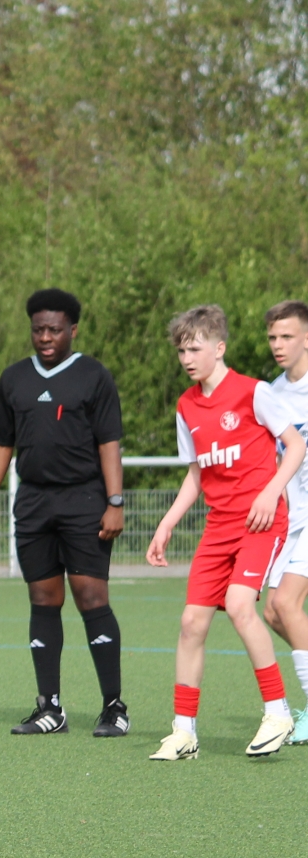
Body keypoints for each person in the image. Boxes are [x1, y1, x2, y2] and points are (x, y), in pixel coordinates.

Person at [146, 305, 306, 760]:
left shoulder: (254, 392)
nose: (187, 358)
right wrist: (167, 523)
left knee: (239, 605)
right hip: (218, 526)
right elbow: (197, 474)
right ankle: (183, 731)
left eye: (194, 349)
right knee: (191, 622)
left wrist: (270, 493)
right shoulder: (186, 405)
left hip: (260, 521)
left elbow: (295, 446)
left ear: (219, 348)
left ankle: (277, 712)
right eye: (181, 351)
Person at [0, 288, 130, 737]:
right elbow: (1, 444)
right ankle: (50, 708)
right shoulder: (14, 379)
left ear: (72, 330)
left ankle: (114, 707)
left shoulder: (93, 376)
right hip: (33, 504)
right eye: (38, 329)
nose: (45, 337)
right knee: (43, 600)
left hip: (85, 502)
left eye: (55, 330)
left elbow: (109, 443)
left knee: (91, 598)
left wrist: (114, 502)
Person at [259, 299, 308, 745]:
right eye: (273, 336)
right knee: (274, 611)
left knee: (288, 604)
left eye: (287, 336)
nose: (278, 344)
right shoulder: (271, 394)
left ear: (306, 339)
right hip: (293, 518)